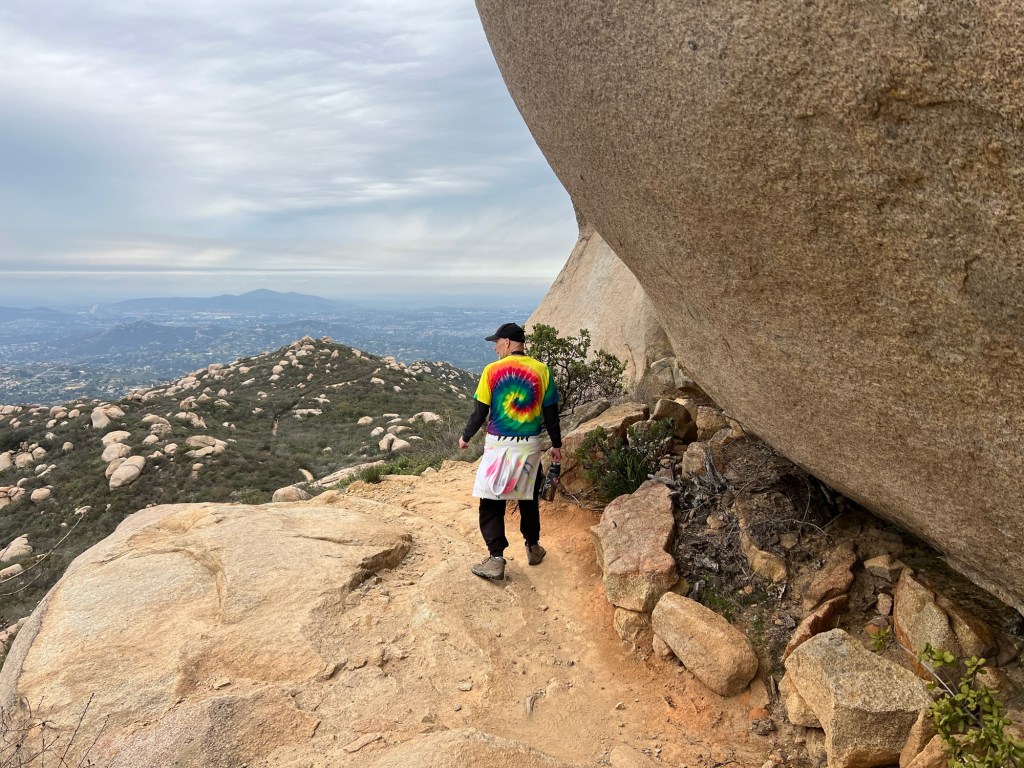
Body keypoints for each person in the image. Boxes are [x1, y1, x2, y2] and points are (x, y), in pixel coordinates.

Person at [458, 322, 562, 580]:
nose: (495, 348)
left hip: (499, 447)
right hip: (530, 447)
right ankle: (533, 548)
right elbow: (551, 414)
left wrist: (466, 436)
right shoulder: (542, 370)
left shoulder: (491, 371)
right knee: (528, 498)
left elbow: (480, 411)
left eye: (496, 343)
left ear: (507, 342)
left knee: (491, 502)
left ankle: (495, 559)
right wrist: (556, 445)